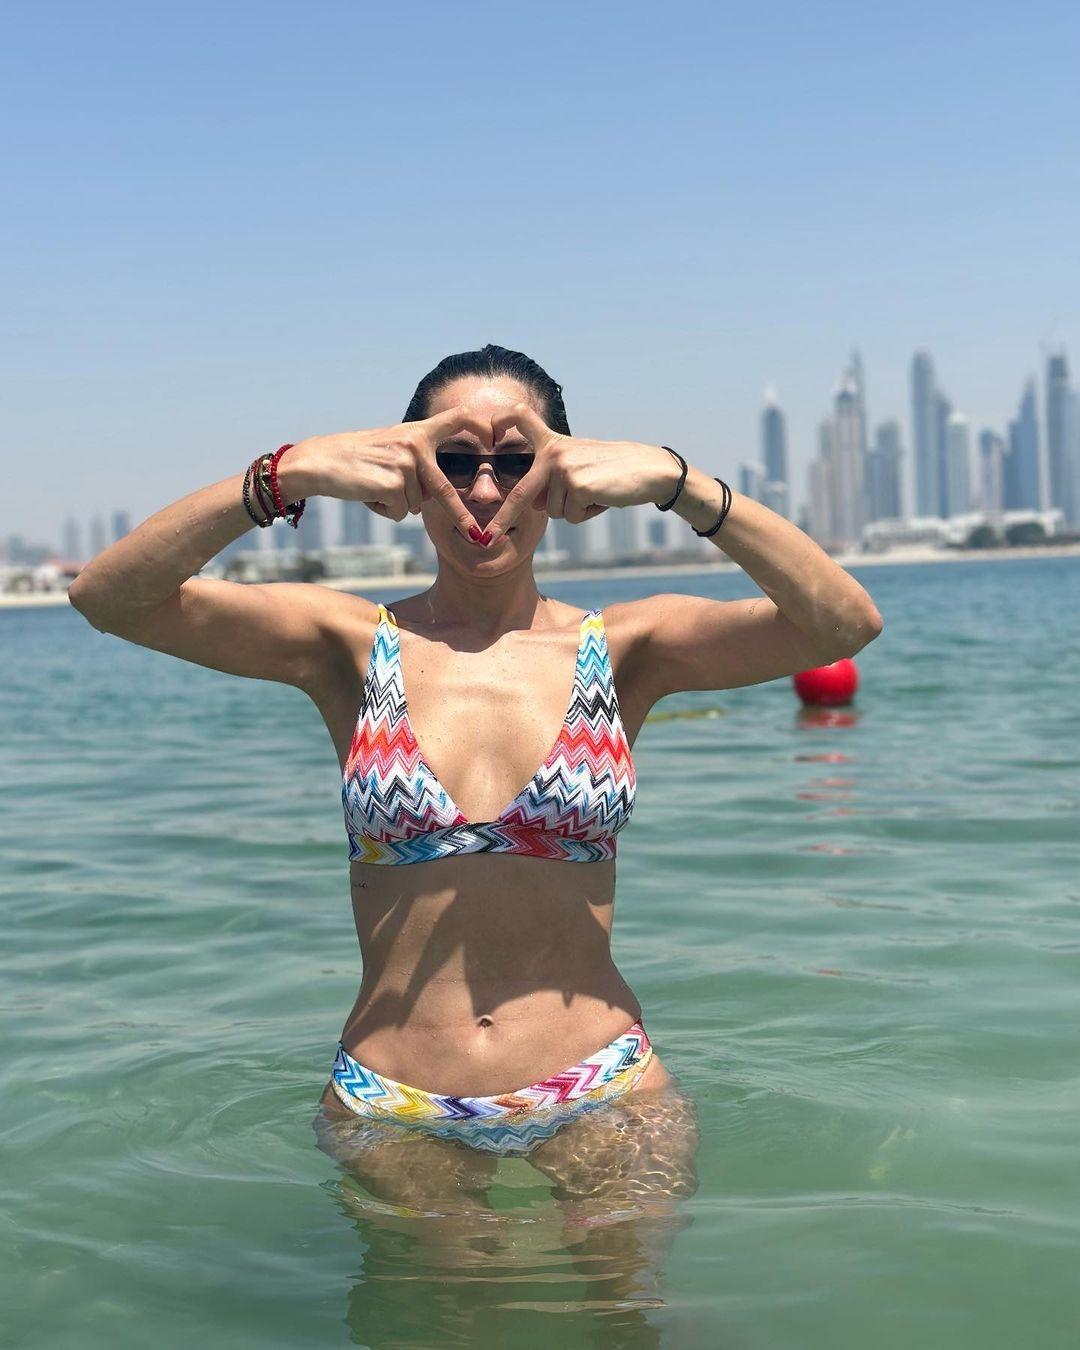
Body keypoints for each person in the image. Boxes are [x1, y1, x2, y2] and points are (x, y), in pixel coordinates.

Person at [69, 344, 883, 1212]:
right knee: (447, 1298)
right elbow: (110, 599)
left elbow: (841, 625)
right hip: (394, 1102)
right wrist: (287, 473)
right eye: (455, 461)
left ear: (563, 476)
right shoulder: (348, 645)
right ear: (409, 473)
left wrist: (677, 482)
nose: (485, 490)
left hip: (602, 1084)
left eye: (516, 461)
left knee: (629, 1297)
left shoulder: (625, 648)